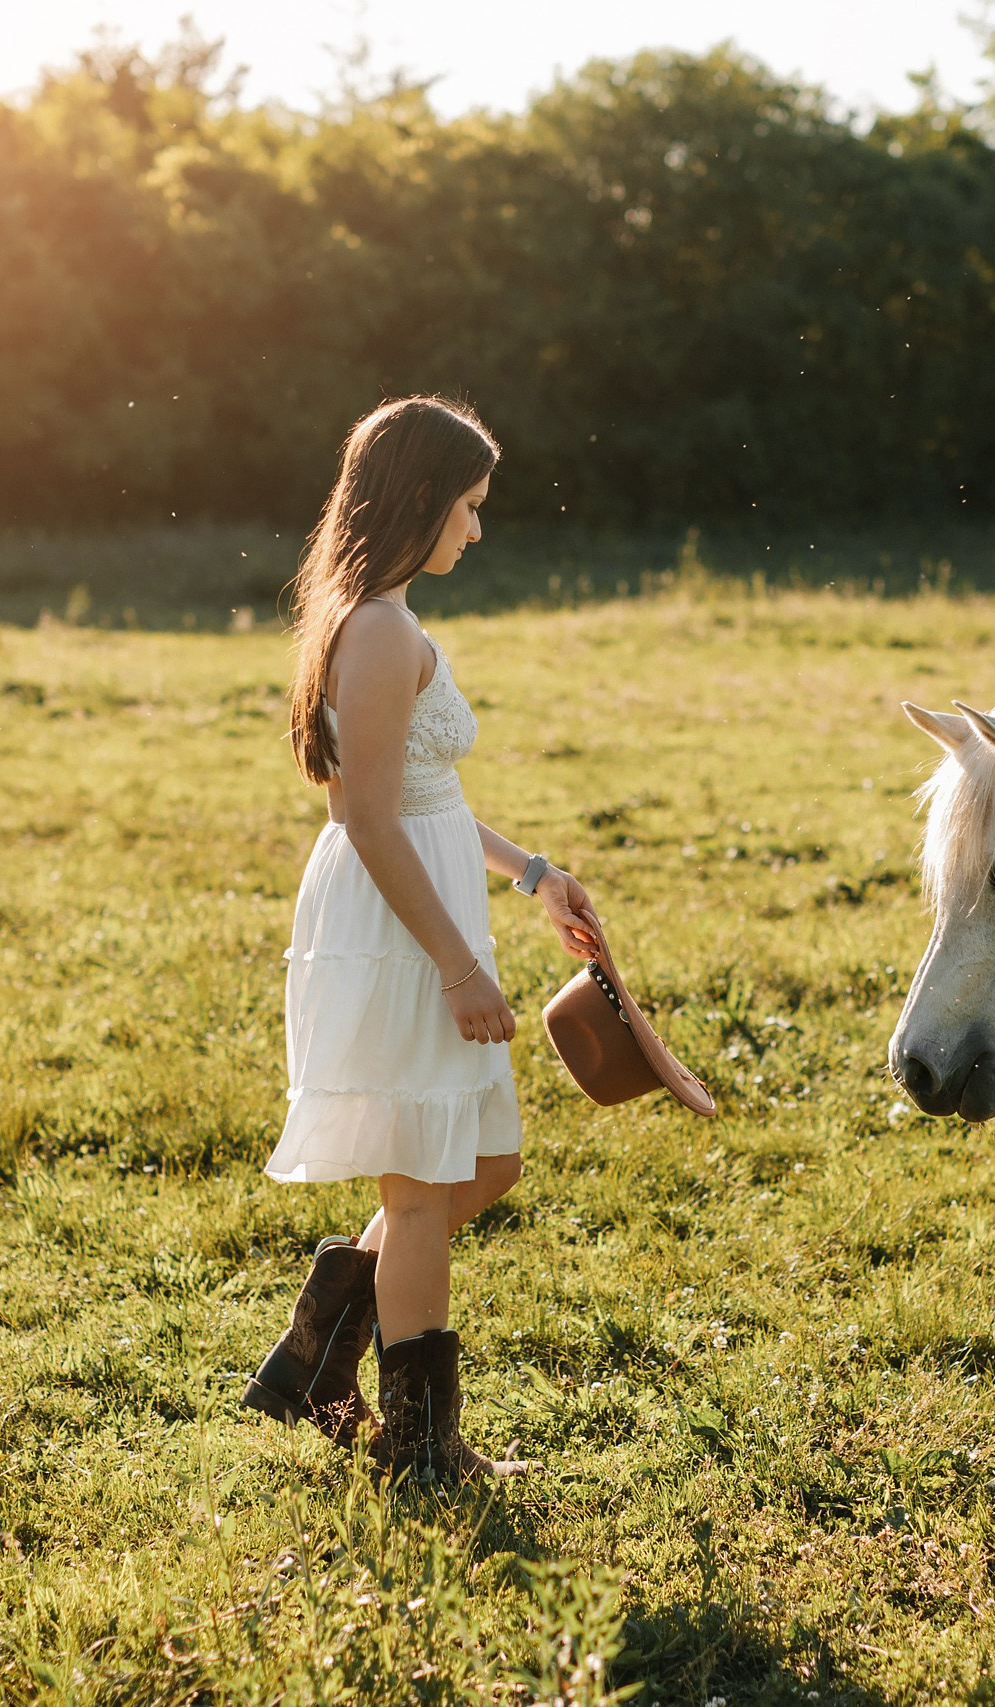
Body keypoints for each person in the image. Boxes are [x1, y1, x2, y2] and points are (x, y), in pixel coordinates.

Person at [240, 396, 599, 1482]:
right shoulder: (382, 629)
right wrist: (455, 966)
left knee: (480, 1164)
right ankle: (423, 1449)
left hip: (423, 897)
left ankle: (314, 1363)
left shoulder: (382, 615)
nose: (476, 531)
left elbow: (424, 794)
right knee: (421, 1183)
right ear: (419, 498)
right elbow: (364, 816)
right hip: (399, 930)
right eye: (469, 506)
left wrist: (532, 874)